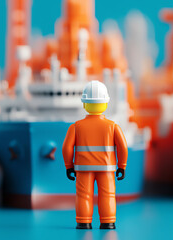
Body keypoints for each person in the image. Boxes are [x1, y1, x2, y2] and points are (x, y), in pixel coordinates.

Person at [62, 80, 128, 230]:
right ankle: (108, 222)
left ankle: (84, 222)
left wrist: (69, 166)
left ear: (84, 104)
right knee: (108, 195)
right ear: (105, 104)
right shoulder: (112, 126)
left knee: (84, 195)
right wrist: (122, 166)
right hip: (107, 168)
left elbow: (66, 148)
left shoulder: (76, 126)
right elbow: (123, 147)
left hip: (83, 168)